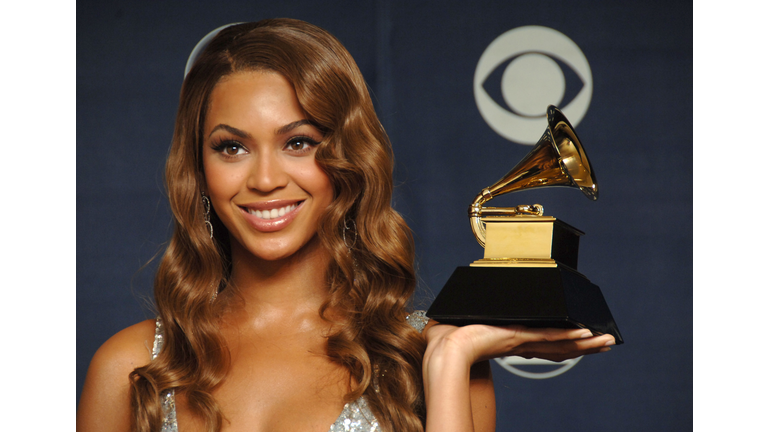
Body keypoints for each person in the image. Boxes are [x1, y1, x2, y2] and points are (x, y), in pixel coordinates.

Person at [76, 19, 615, 432]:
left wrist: (449, 359)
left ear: (348, 158)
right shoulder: (131, 366)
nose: (265, 178)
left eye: (298, 142)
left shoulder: (424, 354)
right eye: (232, 147)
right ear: (199, 167)